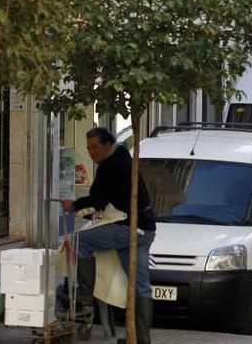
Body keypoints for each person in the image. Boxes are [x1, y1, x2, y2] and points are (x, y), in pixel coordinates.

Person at [63, 127, 156, 344]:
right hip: (146, 228)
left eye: (94, 147)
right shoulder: (124, 156)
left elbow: (98, 200)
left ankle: (85, 302)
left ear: (107, 144)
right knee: (141, 284)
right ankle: (140, 339)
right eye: (88, 148)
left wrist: (74, 205)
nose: (91, 152)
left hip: (129, 228)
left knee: (80, 240)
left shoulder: (110, 164)